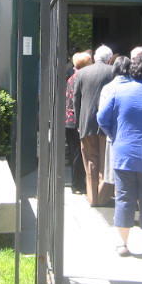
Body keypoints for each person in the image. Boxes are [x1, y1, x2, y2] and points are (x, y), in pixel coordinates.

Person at [97, 52, 142, 258]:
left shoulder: (118, 92)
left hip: (123, 152)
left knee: (124, 198)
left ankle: (123, 244)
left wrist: (116, 134)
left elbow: (102, 118)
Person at [74, 44, 114, 206]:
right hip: (107, 124)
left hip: (86, 122)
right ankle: (103, 195)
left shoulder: (82, 73)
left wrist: (78, 122)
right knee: (106, 161)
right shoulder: (113, 72)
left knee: (90, 160)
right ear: (109, 58)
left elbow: (76, 99)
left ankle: (92, 198)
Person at [98, 56, 131, 190]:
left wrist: (110, 133)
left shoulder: (108, 88)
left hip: (114, 136)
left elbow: (102, 116)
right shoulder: (137, 86)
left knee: (118, 179)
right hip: (131, 135)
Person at [65, 51, 93, 194]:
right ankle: (77, 185)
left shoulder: (72, 77)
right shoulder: (79, 78)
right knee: (78, 153)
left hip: (69, 120)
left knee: (75, 152)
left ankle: (77, 184)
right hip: (76, 121)